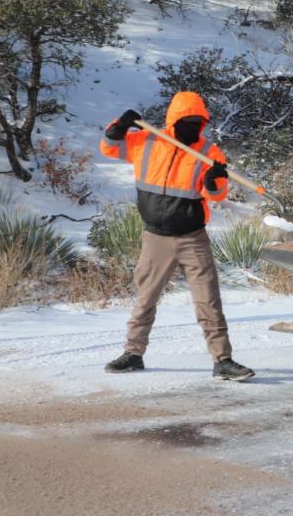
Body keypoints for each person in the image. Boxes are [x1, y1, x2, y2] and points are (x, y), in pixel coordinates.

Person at [98, 91, 255, 381]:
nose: (192, 126)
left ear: (204, 123)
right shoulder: (148, 141)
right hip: (155, 237)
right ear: (174, 120)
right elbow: (109, 148)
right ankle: (133, 354)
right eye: (187, 120)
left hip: (192, 237)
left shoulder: (209, 152)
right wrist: (119, 125)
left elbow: (217, 194)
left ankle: (223, 360)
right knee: (145, 298)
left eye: (197, 122)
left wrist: (212, 179)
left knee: (208, 300)